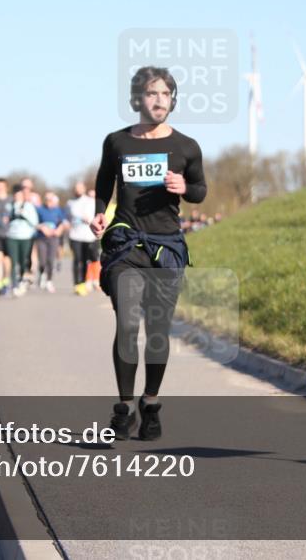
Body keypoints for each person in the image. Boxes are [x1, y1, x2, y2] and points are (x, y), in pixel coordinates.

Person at [91, 66, 206, 441]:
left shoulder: (186, 147)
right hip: (125, 245)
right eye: (151, 93)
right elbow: (104, 182)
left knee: (157, 332)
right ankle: (123, 409)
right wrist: (99, 213)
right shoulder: (117, 142)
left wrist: (184, 186)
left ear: (173, 100)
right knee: (127, 324)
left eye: (165, 94)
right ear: (136, 99)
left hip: (166, 247)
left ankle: (150, 404)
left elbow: (200, 191)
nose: (159, 100)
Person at [5, 182, 39, 297]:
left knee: (23, 261)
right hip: (12, 237)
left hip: (25, 237)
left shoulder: (29, 206)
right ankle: (14, 284)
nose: (17, 196)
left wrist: (24, 214)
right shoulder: (9, 207)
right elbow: (4, 221)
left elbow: (35, 222)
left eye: (19, 194)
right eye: (15, 194)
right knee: (13, 261)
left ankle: (22, 281)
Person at [35, 192, 68, 293]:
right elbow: (34, 223)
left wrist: (59, 230)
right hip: (41, 238)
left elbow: (63, 222)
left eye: (50, 199)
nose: (49, 201)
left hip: (53, 238)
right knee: (42, 260)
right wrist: (42, 227)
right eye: (47, 199)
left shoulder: (58, 210)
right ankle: (42, 274)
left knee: (50, 260)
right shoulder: (39, 209)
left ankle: (49, 280)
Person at [67, 181, 96, 297]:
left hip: (87, 236)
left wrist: (89, 219)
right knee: (77, 259)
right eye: (76, 188)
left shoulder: (90, 201)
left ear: (84, 189)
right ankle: (76, 284)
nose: (78, 190)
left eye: (80, 188)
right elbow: (67, 218)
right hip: (75, 235)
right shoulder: (70, 203)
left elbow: (94, 216)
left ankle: (83, 283)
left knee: (84, 260)